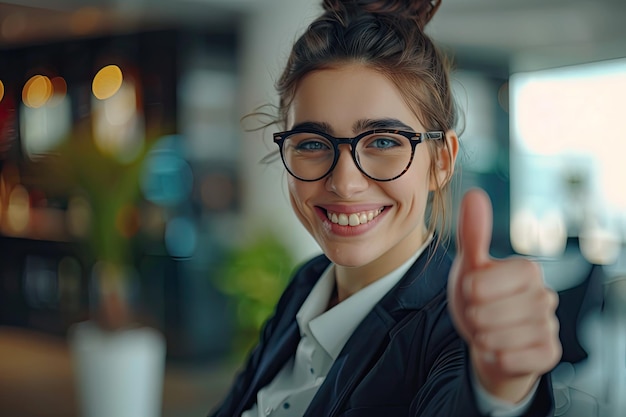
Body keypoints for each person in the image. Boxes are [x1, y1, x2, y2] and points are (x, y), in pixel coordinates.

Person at [210, 0, 561, 415]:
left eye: (383, 142)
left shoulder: (455, 331)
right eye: (311, 144)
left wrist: (500, 390)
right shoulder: (307, 285)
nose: (343, 182)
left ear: (442, 161)